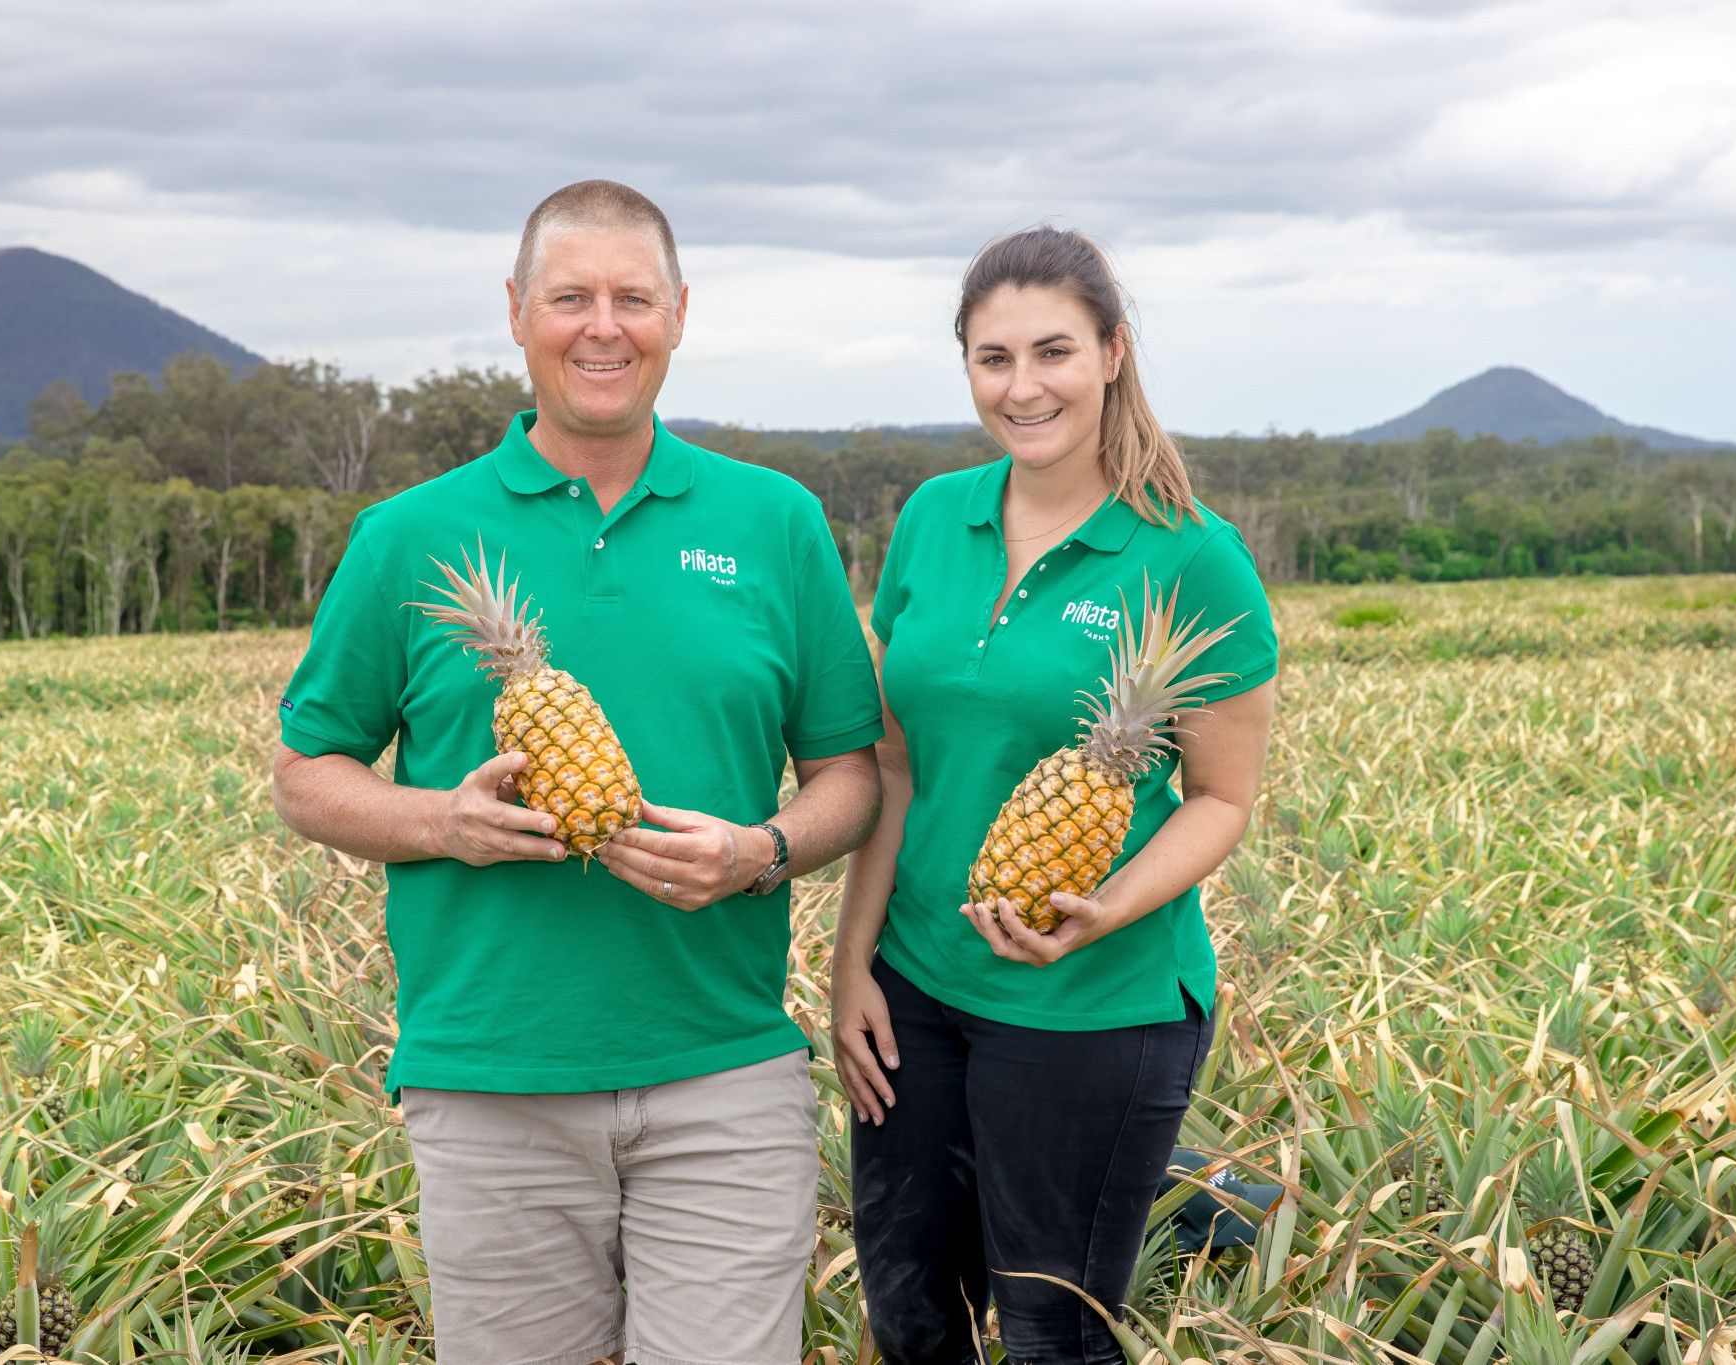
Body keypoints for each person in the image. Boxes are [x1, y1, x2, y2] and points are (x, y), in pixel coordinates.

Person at [273, 180, 884, 1365]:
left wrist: (757, 854)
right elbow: (307, 773)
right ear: (514, 312)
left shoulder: (774, 521)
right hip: (492, 1076)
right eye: (569, 298)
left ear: (678, 313)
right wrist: (439, 820)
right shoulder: (408, 534)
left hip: (723, 1068)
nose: (602, 326)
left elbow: (849, 778)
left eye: (631, 298)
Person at [830, 225, 1278, 1365]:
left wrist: (1106, 906)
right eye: (992, 359)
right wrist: (851, 968)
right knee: (909, 1315)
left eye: (1052, 352)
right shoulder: (934, 516)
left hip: (1091, 1003)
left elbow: (1220, 799)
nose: (1022, 387)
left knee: (1049, 1334)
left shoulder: (1190, 557)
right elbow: (891, 763)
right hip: (915, 987)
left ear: (1112, 353)